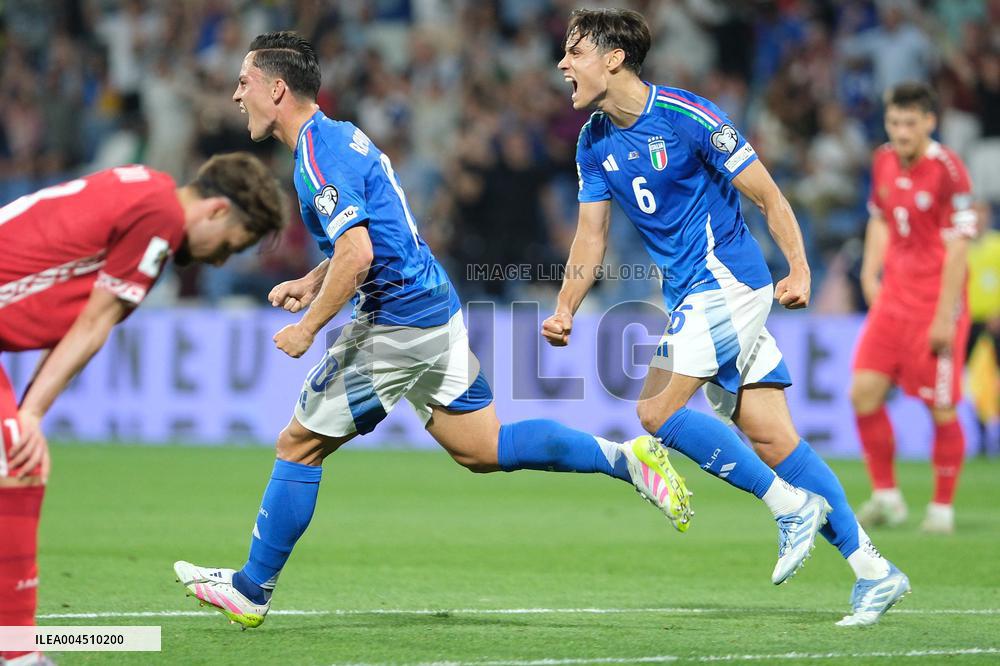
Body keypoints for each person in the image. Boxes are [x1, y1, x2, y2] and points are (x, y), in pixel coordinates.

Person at [174, 31, 695, 630]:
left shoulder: (318, 153)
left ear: (277, 88)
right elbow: (374, 235)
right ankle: (626, 460)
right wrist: (314, 280)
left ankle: (251, 589)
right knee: (482, 447)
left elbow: (360, 253)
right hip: (433, 305)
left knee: (299, 443)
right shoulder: (339, 138)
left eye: (245, 82)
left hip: (397, 322)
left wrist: (310, 327)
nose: (237, 95)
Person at [542, 8, 907, 627]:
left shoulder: (690, 118)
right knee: (773, 438)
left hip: (729, 283)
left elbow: (767, 193)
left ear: (613, 58)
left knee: (655, 411)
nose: (562, 64)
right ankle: (874, 570)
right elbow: (590, 237)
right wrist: (565, 307)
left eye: (574, 52)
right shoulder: (593, 141)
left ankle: (788, 506)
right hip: (691, 295)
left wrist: (800, 268)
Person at [0, 153, 287, 665]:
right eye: (230, 245)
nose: (219, 260)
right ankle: (17, 651)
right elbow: (93, 324)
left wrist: (26, 410)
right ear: (217, 210)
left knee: (15, 458)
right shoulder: (160, 219)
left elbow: (74, 321)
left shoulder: (145, 194)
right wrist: (32, 416)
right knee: (18, 462)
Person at [851, 82, 979, 535]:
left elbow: (961, 248)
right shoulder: (883, 159)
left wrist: (947, 315)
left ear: (930, 122)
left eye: (910, 123)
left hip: (934, 304)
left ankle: (941, 508)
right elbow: (880, 217)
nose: (901, 132)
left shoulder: (949, 171)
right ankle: (887, 497)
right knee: (863, 392)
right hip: (893, 302)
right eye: (894, 122)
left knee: (940, 409)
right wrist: (870, 273)